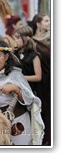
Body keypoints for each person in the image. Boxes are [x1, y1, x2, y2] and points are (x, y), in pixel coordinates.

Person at [0, 41, 44, 145]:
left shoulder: (16, 74)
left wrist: (16, 89)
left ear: (6, 56)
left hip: (18, 120)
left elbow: (30, 100)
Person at [28, 13, 51, 145]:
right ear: (38, 24)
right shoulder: (32, 42)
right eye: (46, 21)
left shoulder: (52, 40)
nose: (49, 23)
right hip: (39, 85)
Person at [13, 26, 42, 95]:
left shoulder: (34, 56)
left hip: (29, 90)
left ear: (27, 38)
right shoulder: (15, 53)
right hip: (15, 89)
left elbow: (38, 77)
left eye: (18, 38)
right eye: (15, 38)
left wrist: (22, 77)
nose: (15, 40)